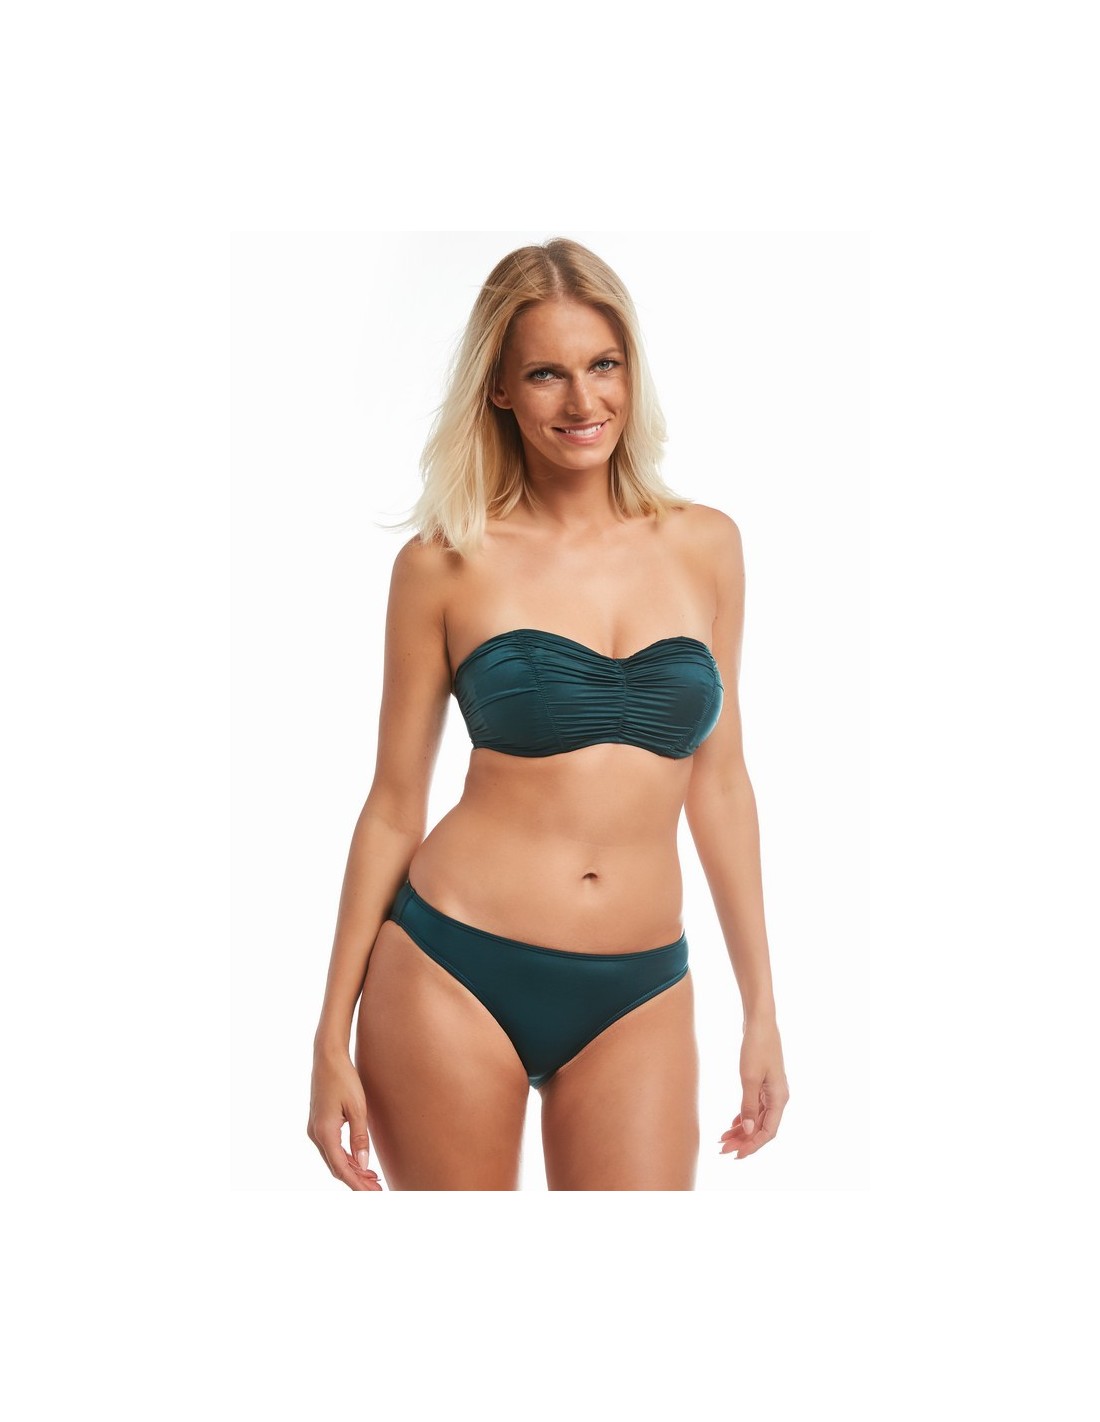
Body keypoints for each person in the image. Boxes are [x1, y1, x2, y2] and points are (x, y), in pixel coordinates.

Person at [307, 237, 789, 1190]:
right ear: (498, 389)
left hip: (641, 988)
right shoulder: (445, 562)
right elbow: (395, 805)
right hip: (452, 968)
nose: (582, 401)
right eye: (546, 374)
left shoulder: (706, 547)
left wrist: (762, 1007)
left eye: (603, 365)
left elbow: (722, 784)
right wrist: (329, 1034)